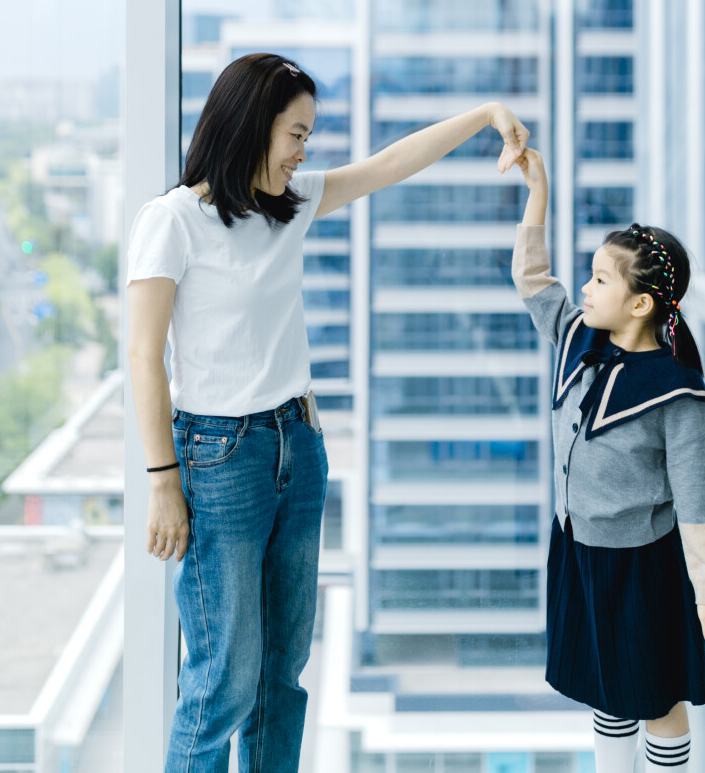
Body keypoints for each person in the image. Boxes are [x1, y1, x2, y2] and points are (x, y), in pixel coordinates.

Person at [127, 51, 529, 773]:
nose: (304, 152)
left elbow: (389, 165)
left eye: (307, 137)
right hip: (219, 458)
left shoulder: (291, 205)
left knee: (283, 675)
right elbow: (141, 357)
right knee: (223, 679)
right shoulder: (172, 222)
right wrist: (162, 482)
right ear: (253, 127)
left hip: (298, 446)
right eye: (296, 135)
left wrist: (482, 117)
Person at [509, 148, 705, 773]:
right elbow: (534, 281)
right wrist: (538, 196)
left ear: (640, 305)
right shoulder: (578, 334)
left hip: (642, 564)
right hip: (580, 549)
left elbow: (700, 498)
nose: (585, 287)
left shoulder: (674, 390)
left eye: (601, 279)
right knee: (609, 689)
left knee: (655, 695)